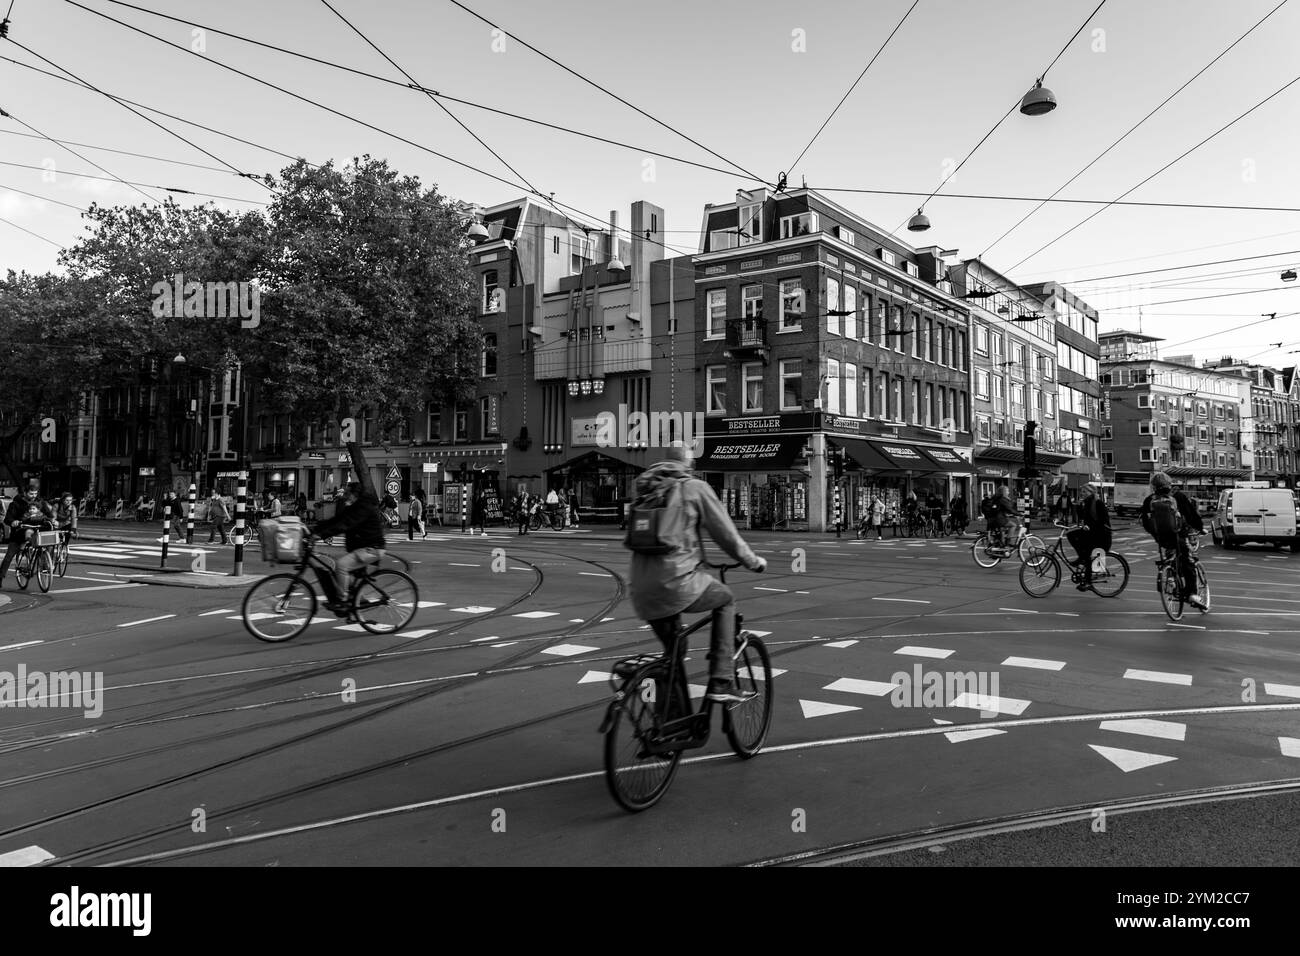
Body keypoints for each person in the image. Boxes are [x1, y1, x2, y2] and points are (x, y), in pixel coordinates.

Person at [628, 445, 767, 703]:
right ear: (689, 465)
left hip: (640, 588)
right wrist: (753, 561)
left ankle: (669, 728)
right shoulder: (694, 488)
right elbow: (726, 536)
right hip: (677, 582)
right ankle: (721, 681)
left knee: (674, 652)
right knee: (725, 600)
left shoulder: (645, 489)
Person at [311, 481, 386, 615]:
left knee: (341, 566)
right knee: (343, 573)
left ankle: (343, 600)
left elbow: (346, 524)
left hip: (371, 548)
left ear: (355, 494)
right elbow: (337, 520)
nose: (345, 496)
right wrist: (314, 530)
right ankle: (358, 600)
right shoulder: (356, 506)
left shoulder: (363, 508)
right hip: (361, 548)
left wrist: (321, 535)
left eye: (347, 493)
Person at [1139, 471, 1205, 608]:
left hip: (1162, 538)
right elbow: (1191, 515)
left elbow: (1145, 522)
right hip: (1179, 535)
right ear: (1169, 483)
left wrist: (1156, 533)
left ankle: (1170, 577)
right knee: (1188, 561)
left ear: (1153, 486)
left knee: (1170, 556)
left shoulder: (1149, 500)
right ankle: (1192, 593)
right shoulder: (1177, 496)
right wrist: (1200, 527)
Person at [1, 485, 55, 587]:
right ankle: (0, 577)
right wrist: (13, 522)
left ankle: (45, 562)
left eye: (35, 493)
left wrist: (52, 520)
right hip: (19, 533)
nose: (34, 496)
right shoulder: (15, 504)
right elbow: (7, 519)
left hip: (37, 530)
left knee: (49, 541)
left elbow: (49, 514)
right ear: (25, 493)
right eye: (31, 493)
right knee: (9, 556)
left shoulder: (41, 502)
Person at [1067, 482, 1113, 591]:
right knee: (1071, 535)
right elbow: (1083, 519)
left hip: (1102, 537)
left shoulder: (1098, 503)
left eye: (1084, 492)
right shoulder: (1086, 503)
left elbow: (1103, 521)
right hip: (1092, 534)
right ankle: (1081, 558)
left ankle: (1088, 582)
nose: (1081, 494)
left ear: (1091, 492)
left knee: (1088, 554)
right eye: (1081, 491)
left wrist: (1090, 527)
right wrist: (1078, 507)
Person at [987, 485, 1019, 549]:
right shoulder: (1003, 499)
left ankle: (1001, 546)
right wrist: (1019, 514)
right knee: (1013, 525)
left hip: (992, 519)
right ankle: (1008, 542)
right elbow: (1009, 509)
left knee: (1002, 530)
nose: (1009, 492)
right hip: (999, 519)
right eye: (1007, 491)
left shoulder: (996, 498)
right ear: (1004, 492)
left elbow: (1000, 509)